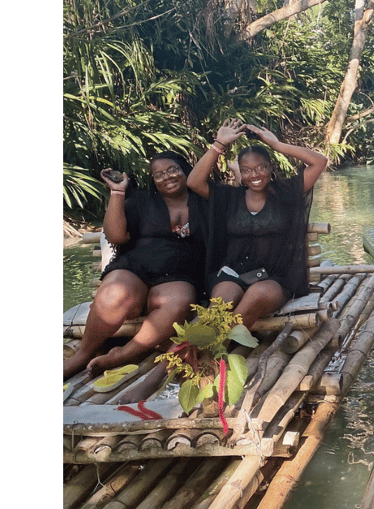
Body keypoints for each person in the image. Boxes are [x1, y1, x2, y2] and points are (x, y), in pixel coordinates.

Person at [63, 152, 208, 379]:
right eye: (158, 174)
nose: (166, 177)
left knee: (178, 302)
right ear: (153, 180)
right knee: (112, 295)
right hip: (135, 268)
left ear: (185, 170)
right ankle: (82, 355)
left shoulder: (205, 201)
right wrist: (117, 192)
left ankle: (123, 354)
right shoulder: (142, 201)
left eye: (172, 169)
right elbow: (116, 236)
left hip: (180, 274)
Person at [187, 118, 328, 328]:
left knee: (255, 294)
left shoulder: (286, 193)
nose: (254, 175)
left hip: (275, 279)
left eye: (261, 167)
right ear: (240, 173)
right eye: (246, 170)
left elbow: (319, 162)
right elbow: (193, 182)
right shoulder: (229, 197)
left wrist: (277, 145)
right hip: (232, 273)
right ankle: (178, 353)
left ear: (271, 167)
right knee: (220, 303)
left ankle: (215, 349)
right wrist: (219, 144)